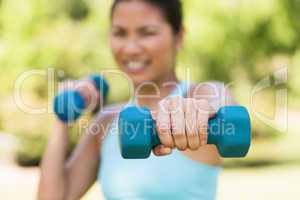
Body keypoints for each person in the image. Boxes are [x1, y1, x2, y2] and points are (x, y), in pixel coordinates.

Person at [38, 0, 236, 199]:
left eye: (147, 33)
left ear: (179, 37)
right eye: (120, 33)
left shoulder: (200, 95)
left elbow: (218, 101)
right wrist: (61, 118)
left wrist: (197, 112)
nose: (131, 48)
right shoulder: (106, 122)